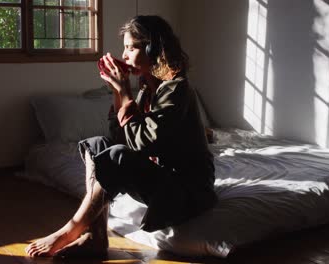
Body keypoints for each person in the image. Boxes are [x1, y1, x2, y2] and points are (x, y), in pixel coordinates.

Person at [25, 15, 217, 258]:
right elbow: (119, 138)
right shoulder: (148, 89)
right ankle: (96, 235)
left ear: (153, 48)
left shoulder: (177, 89)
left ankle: (70, 230)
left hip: (189, 190)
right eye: (124, 47)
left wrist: (125, 92)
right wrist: (119, 93)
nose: (124, 55)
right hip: (165, 180)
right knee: (96, 145)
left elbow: (143, 142)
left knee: (116, 156)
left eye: (131, 47)